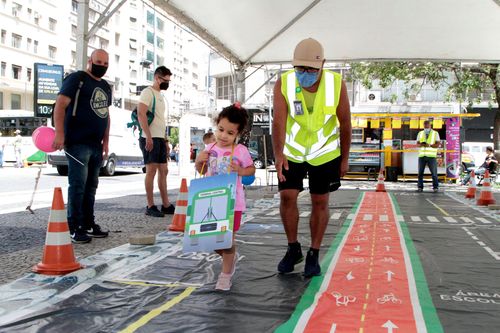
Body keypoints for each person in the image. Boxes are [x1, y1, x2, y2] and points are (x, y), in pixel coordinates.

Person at [272, 38, 351, 277]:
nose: (305, 74)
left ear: (323, 65)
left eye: (310, 69)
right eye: (300, 68)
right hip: (293, 152)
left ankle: (313, 253)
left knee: (320, 202)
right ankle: (293, 247)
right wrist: (278, 155)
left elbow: (345, 123)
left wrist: (345, 158)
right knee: (287, 197)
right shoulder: (284, 83)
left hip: (325, 152)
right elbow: (279, 122)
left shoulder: (337, 84)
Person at [52, 49, 112, 243]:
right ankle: (75, 226)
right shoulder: (77, 79)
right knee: (78, 185)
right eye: (99, 62)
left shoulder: (105, 85)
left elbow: (105, 114)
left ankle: (88, 223)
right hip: (77, 142)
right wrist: (59, 133)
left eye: (105, 63)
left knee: (91, 187)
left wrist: (106, 140)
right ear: (89, 61)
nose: (101, 66)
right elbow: (60, 104)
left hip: (96, 144)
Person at [195, 103, 256, 290]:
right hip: (209, 200)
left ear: (238, 134)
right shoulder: (209, 148)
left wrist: (240, 170)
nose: (223, 135)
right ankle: (230, 256)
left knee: (227, 240)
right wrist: (199, 161)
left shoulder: (241, 151)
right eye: (221, 129)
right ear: (216, 125)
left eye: (230, 133)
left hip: (232, 202)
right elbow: (201, 170)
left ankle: (225, 274)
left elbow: (251, 170)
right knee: (210, 240)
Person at [137, 66, 175, 217]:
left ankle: (166, 204)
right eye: (165, 80)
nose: (167, 83)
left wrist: (165, 140)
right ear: (157, 78)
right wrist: (148, 136)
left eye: (168, 80)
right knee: (151, 171)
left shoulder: (161, 96)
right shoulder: (147, 92)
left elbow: (160, 120)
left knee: (164, 171)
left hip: (159, 137)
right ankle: (150, 205)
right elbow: (141, 113)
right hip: (150, 137)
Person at [416, 120, 441, 192]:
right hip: (422, 156)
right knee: (420, 173)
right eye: (425, 126)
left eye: (427, 125)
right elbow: (417, 144)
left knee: (434, 173)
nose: (426, 127)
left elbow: (437, 144)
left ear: (430, 125)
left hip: (431, 156)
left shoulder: (435, 133)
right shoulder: (420, 133)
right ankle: (420, 187)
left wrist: (429, 145)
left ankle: (435, 187)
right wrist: (421, 144)